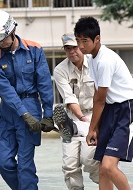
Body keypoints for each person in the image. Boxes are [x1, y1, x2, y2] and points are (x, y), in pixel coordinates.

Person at [0, 10, 55, 190]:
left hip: (31, 104)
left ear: (12, 30)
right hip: (8, 112)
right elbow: (5, 90)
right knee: (3, 163)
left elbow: (45, 83)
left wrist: (48, 114)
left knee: (25, 165)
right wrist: (24, 114)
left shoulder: (35, 50)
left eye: (2, 38)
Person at [74, 16, 133, 190]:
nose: (80, 46)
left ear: (97, 39)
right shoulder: (93, 58)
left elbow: (99, 99)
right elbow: (99, 94)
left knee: (110, 166)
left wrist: (91, 129)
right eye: (78, 40)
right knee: (102, 168)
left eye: (84, 41)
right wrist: (96, 126)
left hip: (126, 110)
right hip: (110, 111)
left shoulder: (104, 60)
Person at [52, 32, 99, 189]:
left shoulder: (95, 62)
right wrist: (80, 118)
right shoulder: (60, 70)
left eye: (74, 47)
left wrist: (92, 121)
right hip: (70, 119)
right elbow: (69, 97)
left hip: (95, 114)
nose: (71, 52)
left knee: (90, 159)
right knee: (70, 166)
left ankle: (106, 180)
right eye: (67, 49)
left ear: (81, 46)